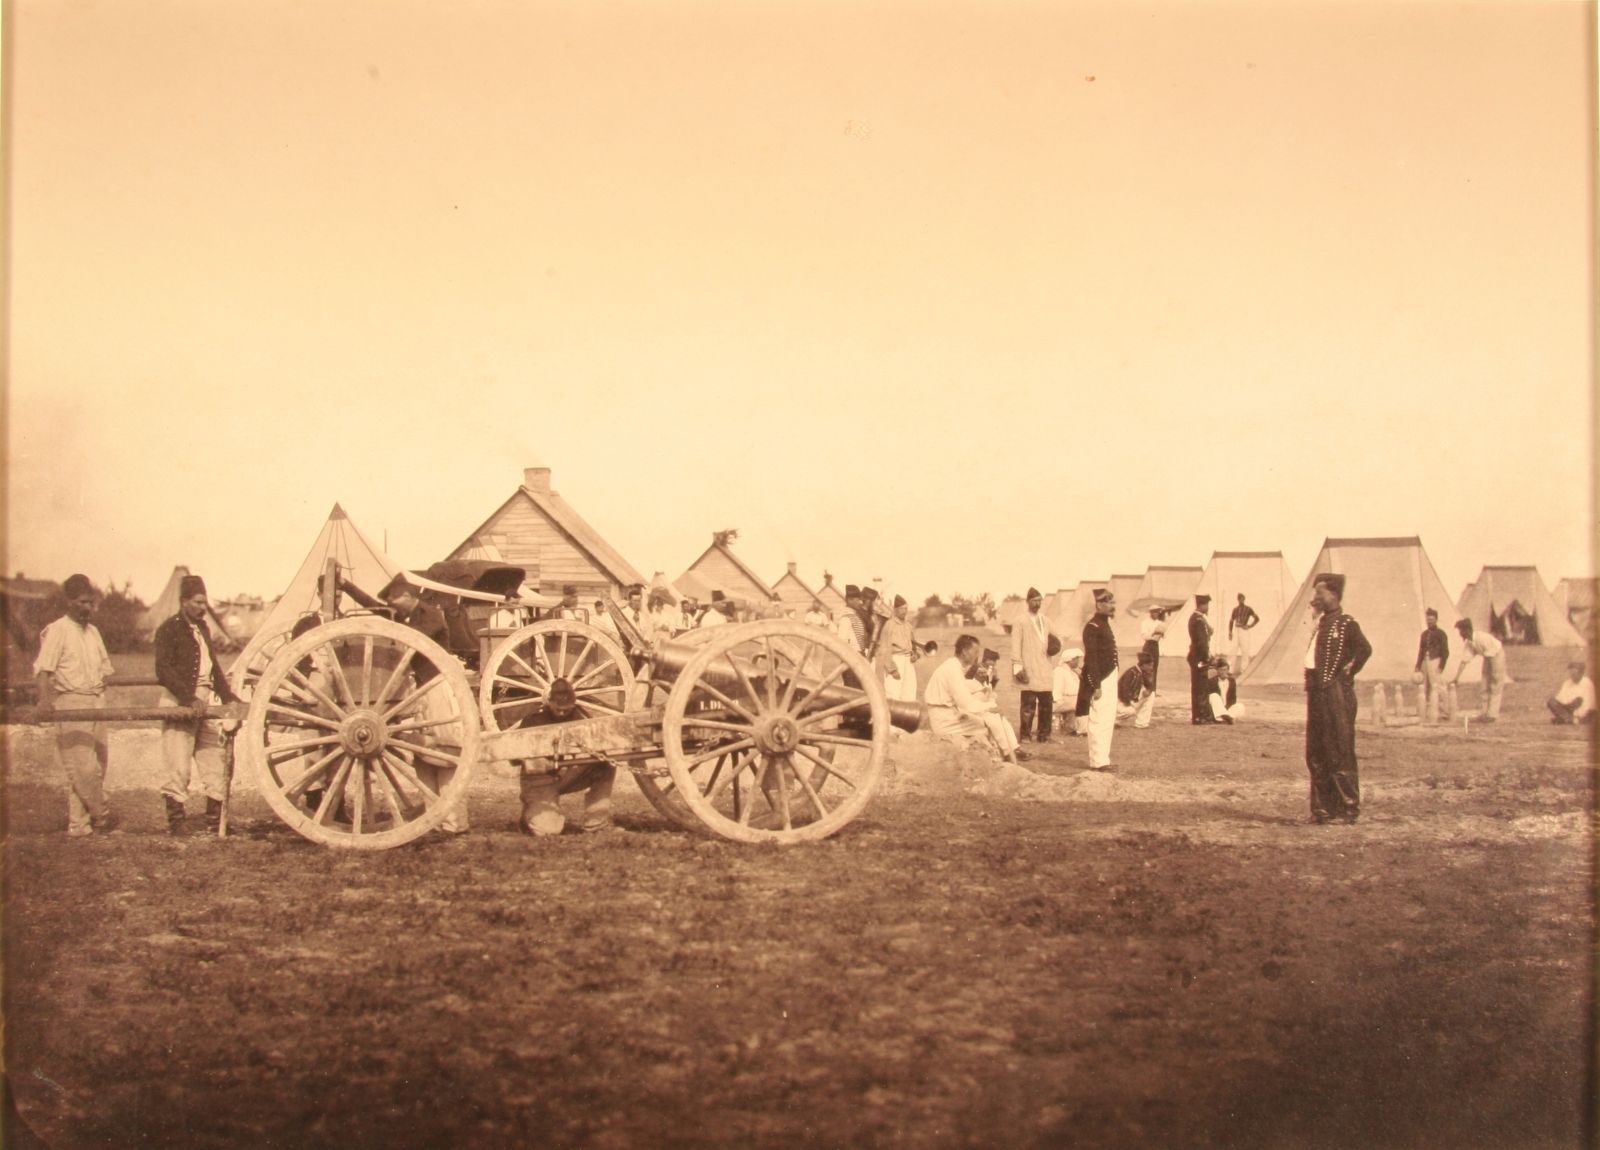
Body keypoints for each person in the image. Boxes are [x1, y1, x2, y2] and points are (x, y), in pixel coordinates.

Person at [381, 576, 470, 834]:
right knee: (423, 753)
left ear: (408, 596)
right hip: (419, 688)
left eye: (394, 601)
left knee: (447, 750)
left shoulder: (431, 615)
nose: (392, 607)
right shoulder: (407, 617)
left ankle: (454, 822)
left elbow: (416, 639)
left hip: (438, 684)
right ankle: (434, 818)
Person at [32, 574, 119, 837]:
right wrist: (45, 702)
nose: (87, 608)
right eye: (82, 602)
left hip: (95, 700)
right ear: (69, 601)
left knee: (98, 765)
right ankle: (102, 817)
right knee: (82, 767)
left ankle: (79, 825)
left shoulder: (93, 632)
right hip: (70, 700)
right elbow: (43, 670)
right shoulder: (57, 630)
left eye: (91, 602)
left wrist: (100, 688)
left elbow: (106, 669)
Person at [154, 574, 240, 836]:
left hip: (204, 700)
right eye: (197, 602)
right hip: (179, 700)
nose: (203, 608)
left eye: (205, 602)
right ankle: (177, 823)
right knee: (178, 764)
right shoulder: (168, 629)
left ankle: (215, 819)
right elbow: (163, 670)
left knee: (215, 757)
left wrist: (229, 699)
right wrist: (187, 698)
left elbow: (212, 667)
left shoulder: (203, 628)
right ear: (183, 601)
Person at [1304, 573, 1372, 825]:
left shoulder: (1346, 624)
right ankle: (1322, 809)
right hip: (1316, 692)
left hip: (1335, 694)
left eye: (1319, 593)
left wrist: (1347, 673)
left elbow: (1364, 649)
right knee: (1316, 751)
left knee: (1339, 749)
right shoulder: (1320, 623)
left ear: (1333, 594)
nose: (1316, 598)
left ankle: (1348, 808)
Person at [923, 634, 1025, 763]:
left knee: (992, 718)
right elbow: (967, 704)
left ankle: (1007, 754)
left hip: (947, 712)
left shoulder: (953, 666)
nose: (977, 655)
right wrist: (990, 707)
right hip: (943, 719)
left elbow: (965, 689)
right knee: (989, 723)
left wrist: (985, 690)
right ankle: (1005, 759)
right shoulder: (952, 670)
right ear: (965, 652)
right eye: (975, 651)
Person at [1009, 586, 1059, 742]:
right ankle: (1025, 735)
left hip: (1044, 667)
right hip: (1029, 666)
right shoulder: (1020, 621)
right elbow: (1015, 644)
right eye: (1034, 601)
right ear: (1027, 602)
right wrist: (1017, 665)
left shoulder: (1046, 620)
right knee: (1028, 705)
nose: (1037, 604)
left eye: (1039, 601)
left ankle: (1044, 735)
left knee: (1046, 703)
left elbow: (1057, 638)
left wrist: (1055, 646)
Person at [1081, 588, 1119, 769]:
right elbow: (1091, 658)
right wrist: (1096, 684)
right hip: (1101, 679)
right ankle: (1097, 761)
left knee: (1107, 719)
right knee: (1099, 719)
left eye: (1113, 602)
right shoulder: (1092, 627)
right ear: (1099, 604)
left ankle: (1103, 759)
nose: (1113, 606)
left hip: (1110, 676)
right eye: (1110, 603)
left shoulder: (1104, 624)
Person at [1452, 619, 1506, 722]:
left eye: (1460, 631)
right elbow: (1464, 661)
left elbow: (1492, 655)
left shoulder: (1481, 638)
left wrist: (1491, 672)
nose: (1460, 634)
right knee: (1484, 684)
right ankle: (1484, 712)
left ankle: (1492, 715)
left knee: (1495, 683)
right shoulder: (1470, 643)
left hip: (1497, 654)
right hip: (1488, 656)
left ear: (1467, 630)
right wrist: (1456, 678)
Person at [875, 595, 919, 703]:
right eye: (901, 609)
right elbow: (884, 649)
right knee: (893, 694)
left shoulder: (908, 625)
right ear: (895, 610)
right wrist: (892, 669)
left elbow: (913, 645)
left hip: (908, 662)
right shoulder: (889, 625)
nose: (904, 611)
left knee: (909, 693)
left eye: (906, 608)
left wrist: (915, 654)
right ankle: (893, 720)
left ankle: (908, 719)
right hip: (896, 660)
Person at [1413, 607, 1452, 724]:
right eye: (1428, 619)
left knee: (1439, 686)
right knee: (1423, 687)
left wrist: (1441, 666)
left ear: (1436, 620)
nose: (1429, 622)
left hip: (1435, 661)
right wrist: (1418, 665)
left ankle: (1445, 712)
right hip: (1425, 662)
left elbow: (1446, 652)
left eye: (1432, 619)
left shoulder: (1441, 634)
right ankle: (1423, 711)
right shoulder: (1424, 634)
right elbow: (1421, 650)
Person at [1188, 594, 1215, 724]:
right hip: (1199, 657)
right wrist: (1207, 658)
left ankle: (1198, 716)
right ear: (1202, 605)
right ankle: (1200, 716)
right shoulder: (1199, 620)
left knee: (1198, 687)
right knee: (1201, 687)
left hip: (1195, 655)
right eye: (1207, 605)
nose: (1208, 607)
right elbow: (1202, 643)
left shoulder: (1196, 618)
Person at [1115, 649, 1157, 729]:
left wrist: (1148, 690)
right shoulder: (1131, 672)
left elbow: (1150, 685)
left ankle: (1141, 723)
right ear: (1143, 665)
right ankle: (1114, 721)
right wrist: (1127, 702)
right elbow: (1122, 690)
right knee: (1130, 711)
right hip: (1120, 700)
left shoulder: (1141, 672)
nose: (1151, 668)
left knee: (1151, 694)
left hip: (1129, 700)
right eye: (1149, 665)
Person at [1547, 660, 1595, 724]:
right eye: (1571, 673)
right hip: (1570, 708)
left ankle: (1565, 719)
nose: (1572, 675)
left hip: (1584, 711)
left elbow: (1588, 704)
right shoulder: (1567, 683)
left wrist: (1578, 714)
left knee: (1579, 700)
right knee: (1551, 702)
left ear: (1581, 673)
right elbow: (1560, 699)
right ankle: (1570, 720)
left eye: (1575, 673)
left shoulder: (1587, 683)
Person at [1052, 647, 1085, 735]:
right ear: (1070, 660)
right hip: (1060, 702)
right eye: (1076, 660)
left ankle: (1071, 729)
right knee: (1083, 703)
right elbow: (1056, 691)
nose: (1078, 662)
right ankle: (1080, 729)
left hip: (1069, 701)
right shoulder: (1060, 671)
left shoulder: (1072, 672)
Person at [1139, 605, 1170, 695]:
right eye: (1154, 612)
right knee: (1146, 668)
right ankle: (1145, 688)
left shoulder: (1159, 623)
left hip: (1155, 646)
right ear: (1150, 612)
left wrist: (1160, 632)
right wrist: (1154, 633)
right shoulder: (1145, 622)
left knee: (1155, 667)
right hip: (1148, 645)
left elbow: (1164, 636)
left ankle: (1153, 690)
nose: (1156, 614)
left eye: (1157, 612)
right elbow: (1144, 636)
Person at [1228, 594, 1261, 676]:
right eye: (1239, 599)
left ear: (1244, 599)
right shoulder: (1235, 610)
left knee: (1245, 650)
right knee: (1233, 650)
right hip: (1236, 630)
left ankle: (1244, 670)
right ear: (1238, 600)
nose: (1241, 600)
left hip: (1244, 630)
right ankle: (1230, 670)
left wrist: (1249, 626)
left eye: (1242, 599)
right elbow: (1231, 621)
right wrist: (1230, 632)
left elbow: (1257, 618)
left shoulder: (1248, 609)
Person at [1207, 656, 1243, 724]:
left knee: (1240, 706)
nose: (1223, 672)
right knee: (1213, 696)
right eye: (1221, 670)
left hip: (1228, 708)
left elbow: (1233, 699)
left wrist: (1227, 708)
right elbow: (1211, 701)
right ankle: (1224, 717)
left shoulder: (1232, 681)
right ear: (1217, 671)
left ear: (1228, 670)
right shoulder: (1212, 681)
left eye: (1225, 670)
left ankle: (1226, 717)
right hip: (1216, 708)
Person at [835, 585, 868, 653]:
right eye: (858, 600)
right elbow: (842, 643)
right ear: (850, 600)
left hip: (859, 655)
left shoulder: (854, 616)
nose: (860, 602)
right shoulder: (846, 619)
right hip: (852, 656)